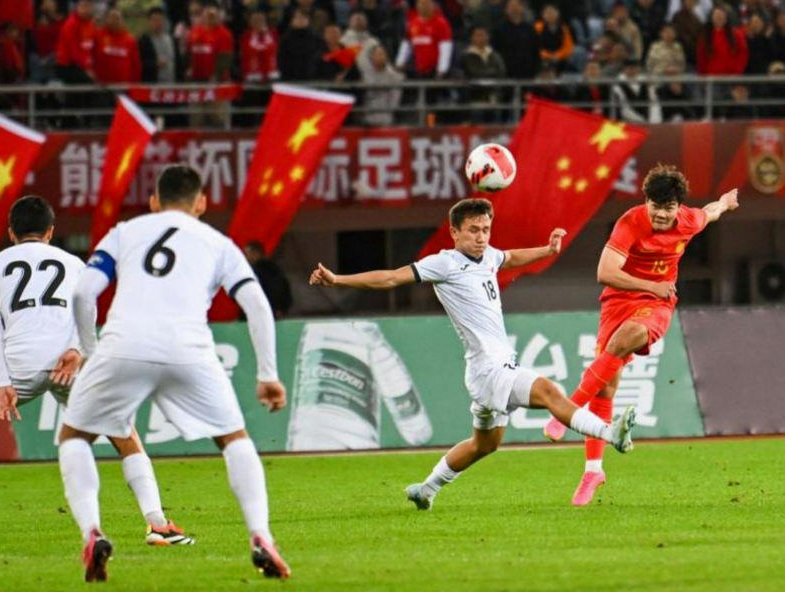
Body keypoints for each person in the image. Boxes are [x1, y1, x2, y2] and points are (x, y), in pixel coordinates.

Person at [310, 198, 637, 511]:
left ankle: (426, 489)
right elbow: (392, 277)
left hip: (488, 370)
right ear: (454, 232)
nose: (481, 237)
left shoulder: (489, 256)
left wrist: (547, 250)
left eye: (485, 229)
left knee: (484, 445)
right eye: (472, 230)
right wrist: (338, 280)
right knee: (549, 392)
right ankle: (610, 434)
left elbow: (509, 258)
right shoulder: (445, 263)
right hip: (490, 370)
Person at [57, 165, 290, 582]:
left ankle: (92, 532)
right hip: (189, 350)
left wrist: (91, 352)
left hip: (123, 346)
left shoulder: (125, 232)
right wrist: (268, 374)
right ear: (201, 203)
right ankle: (261, 536)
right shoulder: (218, 243)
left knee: (75, 438)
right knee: (234, 440)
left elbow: (82, 292)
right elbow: (257, 304)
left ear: (154, 202)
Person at [0, 196, 192, 547]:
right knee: (125, 437)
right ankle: (157, 523)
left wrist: (3, 381)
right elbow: (87, 310)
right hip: (70, 362)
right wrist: (79, 352)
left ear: (10, 232)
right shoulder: (75, 264)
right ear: (50, 232)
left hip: (19, 361)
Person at [543, 166, 739, 506]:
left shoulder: (689, 221)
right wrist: (651, 284)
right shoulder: (630, 222)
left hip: (657, 304)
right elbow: (605, 272)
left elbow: (710, 212)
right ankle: (593, 471)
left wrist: (724, 202)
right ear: (646, 201)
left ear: (679, 207)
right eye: (655, 206)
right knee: (605, 388)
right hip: (619, 300)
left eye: (668, 207)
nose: (661, 214)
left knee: (628, 336)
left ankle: (567, 409)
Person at [243, 241, 292, 318]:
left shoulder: (261, 271)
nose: (245, 257)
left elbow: (277, 290)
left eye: (247, 254)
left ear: (255, 254)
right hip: (269, 312)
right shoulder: (275, 269)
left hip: (264, 312)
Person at [94, 9, 141, 84]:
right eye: (112, 17)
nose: (115, 21)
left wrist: (134, 83)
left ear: (122, 21)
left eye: (117, 18)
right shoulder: (98, 35)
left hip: (124, 85)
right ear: (106, 19)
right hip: (101, 85)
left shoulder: (130, 40)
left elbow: (135, 64)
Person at [138, 6, 182, 84]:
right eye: (155, 20)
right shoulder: (143, 41)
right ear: (149, 22)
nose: (158, 23)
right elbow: (139, 63)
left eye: (160, 20)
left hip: (172, 84)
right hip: (153, 84)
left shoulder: (172, 39)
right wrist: (155, 64)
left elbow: (178, 62)